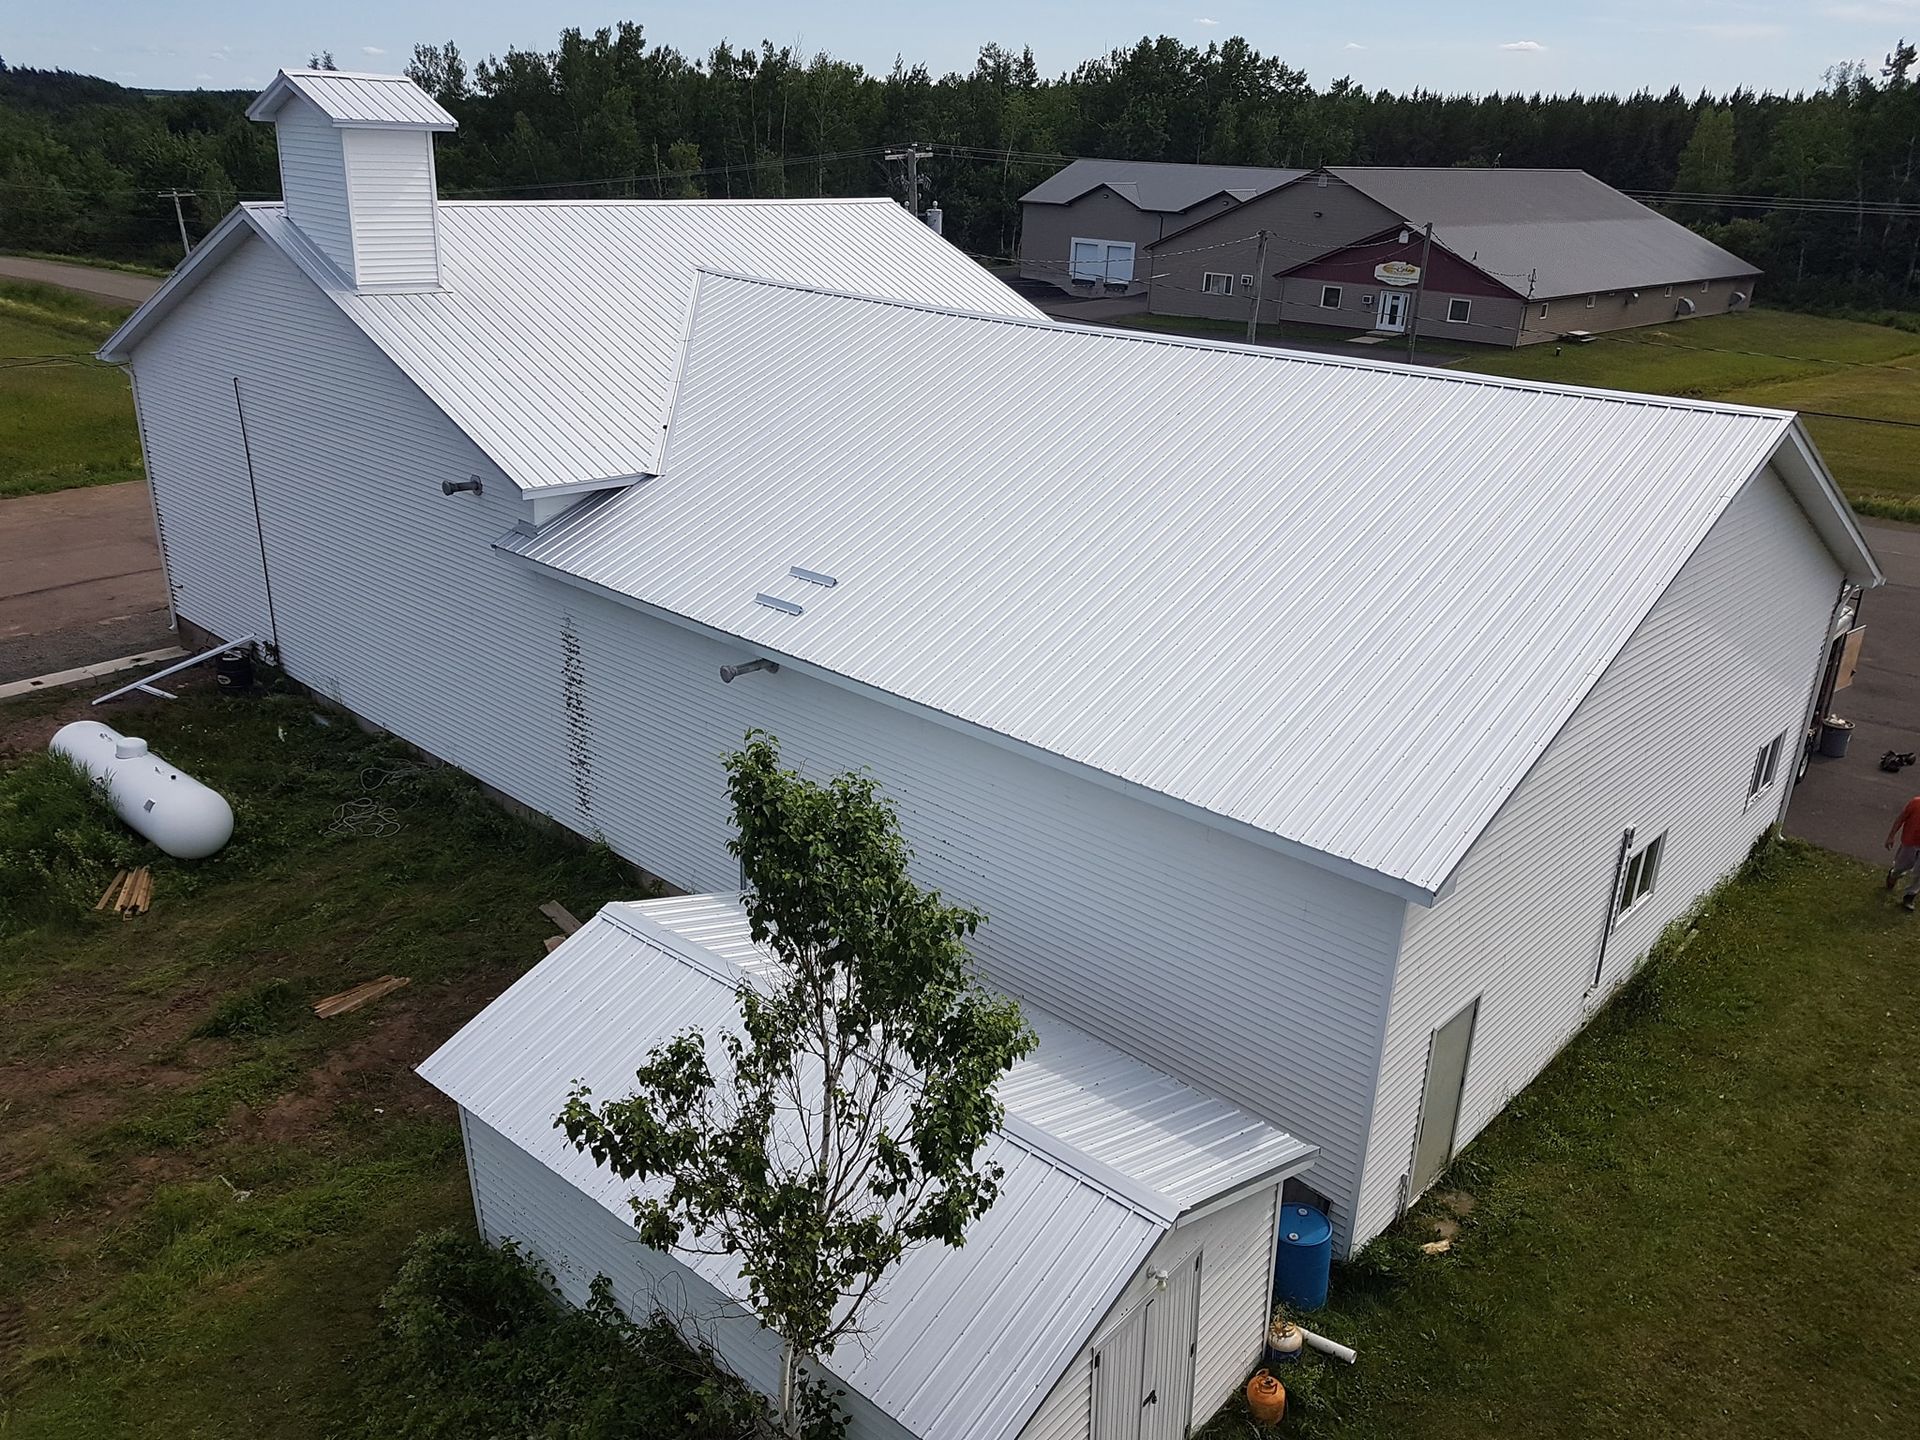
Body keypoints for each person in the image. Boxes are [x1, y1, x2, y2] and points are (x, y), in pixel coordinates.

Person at [1885, 794, 1920, 911]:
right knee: (1902, 867)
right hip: (1910, 843)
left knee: (1919, 874)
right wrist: (1891, 836)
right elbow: (1901, 818)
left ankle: (1909, 896)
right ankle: (1894, 874)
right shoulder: (1916, 803)